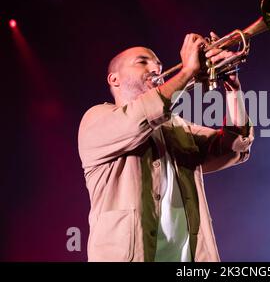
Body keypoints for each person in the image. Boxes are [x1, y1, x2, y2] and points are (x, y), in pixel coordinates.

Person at [77, 32, 254, 262]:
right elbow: (138, 118)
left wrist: (233, 88)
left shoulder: (176, 127)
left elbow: (236, 147)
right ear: (114, 79)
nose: (155, 68)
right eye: (142, 62)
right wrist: (187, 72)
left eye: (158, 64)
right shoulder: (96, 118)